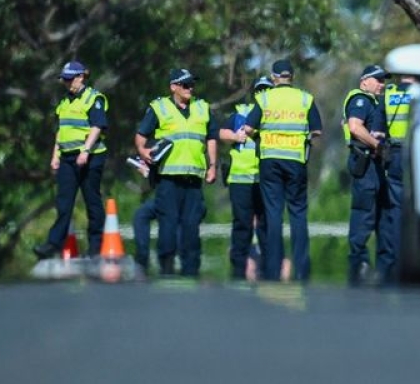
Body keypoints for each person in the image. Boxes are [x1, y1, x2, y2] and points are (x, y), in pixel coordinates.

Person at [244, 60, 322, 281]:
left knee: (273, 215)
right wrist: (303, 140)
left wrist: (260, 137)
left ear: (273, 77)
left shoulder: (265, 98)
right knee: (298, 214)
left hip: (270, 162)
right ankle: (301, 269)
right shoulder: (305, 99)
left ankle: (273, 269)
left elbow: (248, 128)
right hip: (296, 161)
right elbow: (317, 131)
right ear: (292, 77)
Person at [135, 68, 218, 276]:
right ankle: (167, 267)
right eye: (185, 84)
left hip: (193, 179)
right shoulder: (159, 108)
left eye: (192, 84)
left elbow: (211, 137)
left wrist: (213, 165)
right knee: (168, 226)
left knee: (191, 227)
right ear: (173, 87)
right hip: (168, 180)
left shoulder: (202, 108)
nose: (190, 88)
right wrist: (143, 151)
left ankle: (191, 269)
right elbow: (141, 135)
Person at [33, 61, 108, 259]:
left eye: (70, 80)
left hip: (90, 157)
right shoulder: (64, 102)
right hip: (67, 158)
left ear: (81, 77)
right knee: (63, 203)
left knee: (92, 201)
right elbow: (61, 130)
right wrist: (55, 155)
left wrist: (85, 150)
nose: (67, 84)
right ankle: (52, 245)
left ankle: (95, 246)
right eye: (64, 80)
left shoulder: (94, 99)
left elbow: (97, 126)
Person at [219, 76, 272, 280]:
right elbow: (221, 132)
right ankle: (238, 269)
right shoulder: (241, 113)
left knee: (266, 224)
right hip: (241, 180)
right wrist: (235, 137)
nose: (263, 93)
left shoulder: (275, 115)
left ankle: (269, 267)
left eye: (266, 89)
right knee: (242, 225)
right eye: (260, 90)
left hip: (265, 180)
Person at [342, 64, 390, 286]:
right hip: (365, 161)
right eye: (378, 80)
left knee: (378, 216)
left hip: (374, 166)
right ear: (364, 82)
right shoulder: (360, 100)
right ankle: (359, 266)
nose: (382, 84)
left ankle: (379, 268)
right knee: (363, 215)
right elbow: (354, 127)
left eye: (384, 80)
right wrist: (377, 145)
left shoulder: (374, 102)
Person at [378, 72, 420, 284]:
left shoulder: (389, 94)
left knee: (394, 209)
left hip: (394, 155)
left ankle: (393, 263)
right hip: (416, 155)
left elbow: (379, 128)